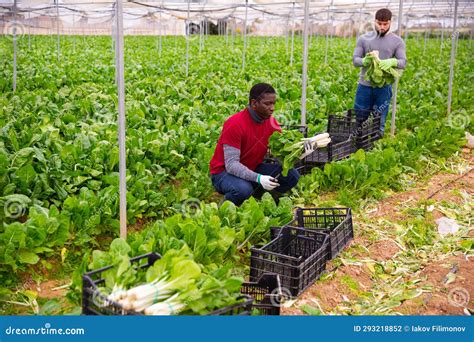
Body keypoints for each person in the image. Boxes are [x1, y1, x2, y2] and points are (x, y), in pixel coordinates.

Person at [209, 83, 300, 206]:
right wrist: (258, 178)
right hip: (223, 172)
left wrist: (299, 153)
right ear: (253, 103)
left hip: (252, 167)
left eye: (273, 103)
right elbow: (231, 164)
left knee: (291, 175)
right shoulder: (234, 123)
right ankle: (225, 207)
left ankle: (262, 196)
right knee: (243, 190)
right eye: (267, 104)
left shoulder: (271, 123)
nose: (272, 108)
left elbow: (280, 154)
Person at [353, 8, 407, 134]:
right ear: (374, 22)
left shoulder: (397, 41)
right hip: (364, 86)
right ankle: (359, 141)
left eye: (385, 24)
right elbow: (355, 60)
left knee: (379, 119)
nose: (382, 27)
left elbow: (403, 62)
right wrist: (364, 61)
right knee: (360, 117)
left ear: (390, 22)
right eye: (379, 23)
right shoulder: (364, 39)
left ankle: (377, 144)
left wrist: (392, 62)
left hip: (384, 87)